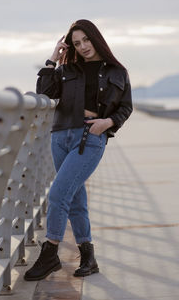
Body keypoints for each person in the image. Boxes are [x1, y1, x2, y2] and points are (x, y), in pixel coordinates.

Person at [24, 19, 132, 281]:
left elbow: (125, 107)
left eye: (86, 40)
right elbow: (45, 93)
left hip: (89, 137)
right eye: (76, 43)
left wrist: (107, 122)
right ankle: (88, 257)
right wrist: (53, 58)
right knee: (74, 198)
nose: (83, 46)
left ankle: (50, 254)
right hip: (60, 136)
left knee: (60, 193)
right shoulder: (66, 69)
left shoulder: (117, 71)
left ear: (96, 38)